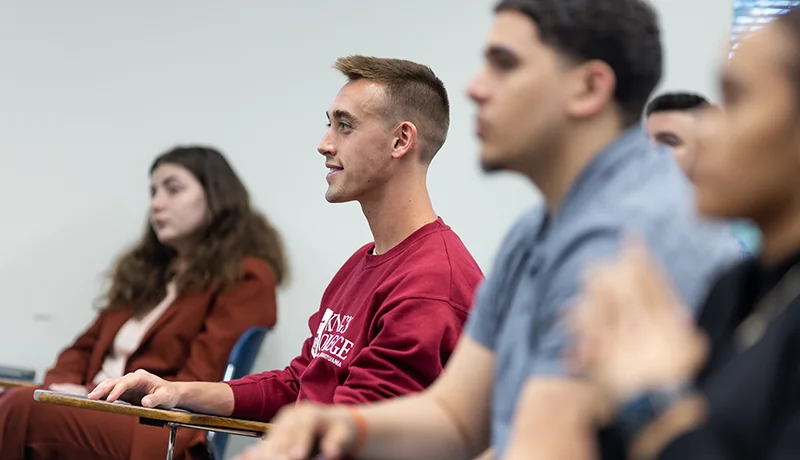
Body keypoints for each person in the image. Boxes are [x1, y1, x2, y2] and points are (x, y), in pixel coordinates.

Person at [219, 1, 741, 460]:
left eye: (505, 64)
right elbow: (456, 417)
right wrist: (338, 426)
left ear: (588, 88)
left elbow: (546, 448)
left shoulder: (632, 237)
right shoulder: (536, 229)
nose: (475, 87)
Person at [89, 56, 484, 432]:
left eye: (344, 126)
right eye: (329, 125)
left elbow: (354, 431)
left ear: (401, 140)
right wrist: (178, 391)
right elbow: (298, 385)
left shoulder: (432, 282)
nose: (324, 144)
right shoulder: (360, 266)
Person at [549, 6, 800, 459]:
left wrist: (649, 402)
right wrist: (609, 396)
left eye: (736, 98)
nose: (706, 131)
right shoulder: (736, 288)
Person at [0, 145, 287, 460]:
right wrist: (65, 390)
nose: (156, 204)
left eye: (173, 189)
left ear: (216, 197)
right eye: (153, 192)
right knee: (20, 401)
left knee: (19, 407)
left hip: (157, 424)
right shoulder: (146, 274)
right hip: (93, 407)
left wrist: (99, 397)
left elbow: (203, 378)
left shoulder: (246, 276)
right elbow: (82, 349)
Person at [645, 92, 762, 255]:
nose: (650, 152)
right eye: (645, 141)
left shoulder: (749, 234)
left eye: (668, 142)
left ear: (706, 148)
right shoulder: (628, 218)